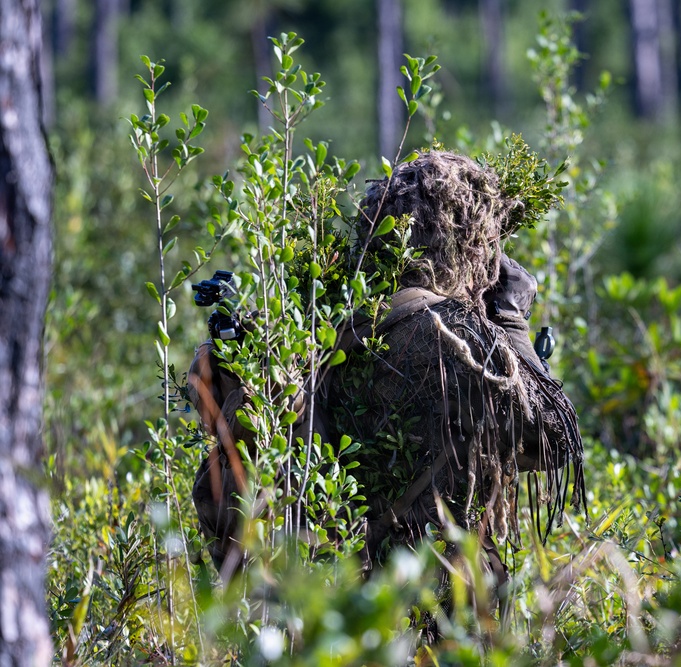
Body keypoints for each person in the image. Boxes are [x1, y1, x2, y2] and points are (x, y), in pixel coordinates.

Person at [188, 151, 585, 594]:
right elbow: (553, 440)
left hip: (336, 597)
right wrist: (510, 320)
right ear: (466, 243)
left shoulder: (324, 328)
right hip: (439, 600)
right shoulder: (455, 336)